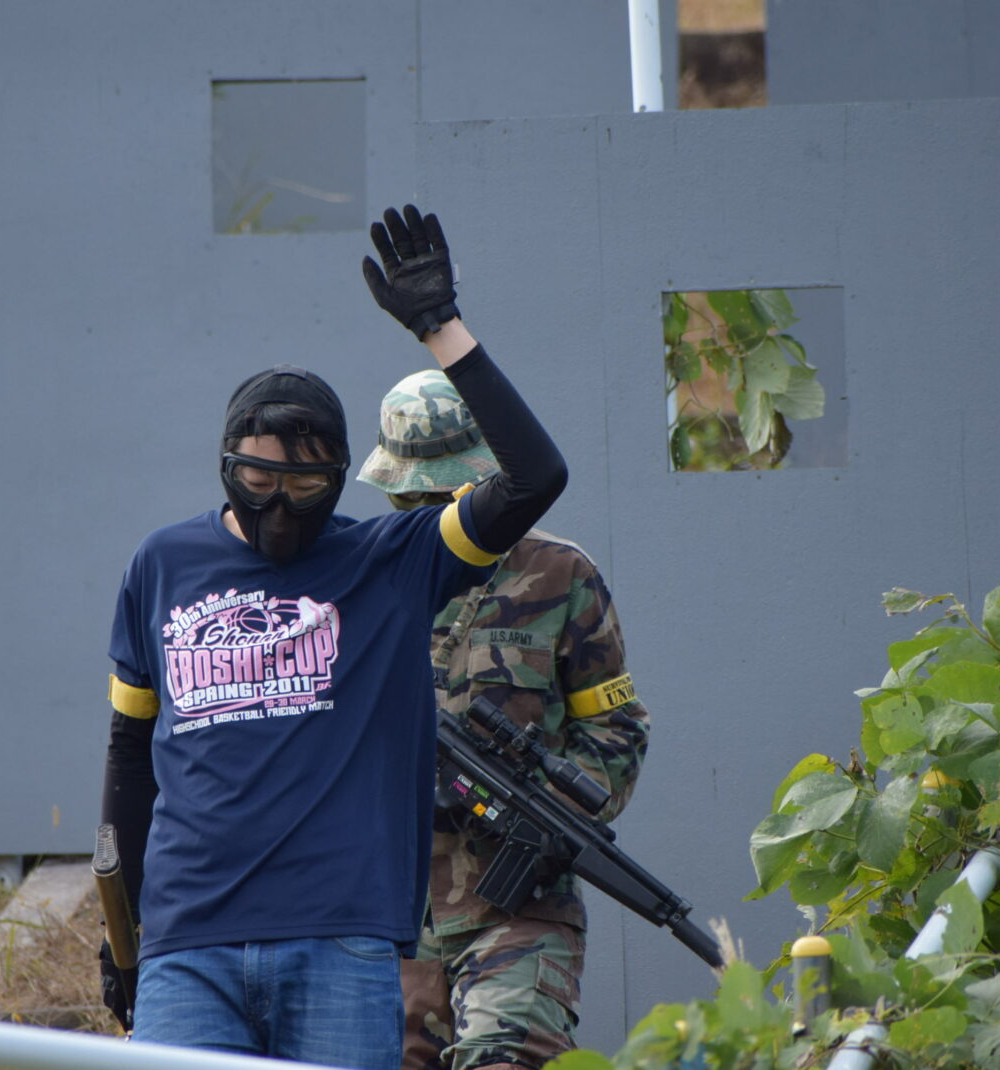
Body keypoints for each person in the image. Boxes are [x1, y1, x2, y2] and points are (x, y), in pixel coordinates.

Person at [97, 205, 568, 1070]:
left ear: (342, 477)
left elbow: (536, 477)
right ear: (225, 465)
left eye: (306, 484)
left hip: (340, 942)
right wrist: (123, 935)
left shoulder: (392, 562)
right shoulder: (159, 566)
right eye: (257, 478)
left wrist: (442, 327)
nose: (279, 506)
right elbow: (130, 759)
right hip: (186, 947)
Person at [356, 370, 651, 1070]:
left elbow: (617, 731)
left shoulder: (559, 574)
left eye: (444, 492)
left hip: (516, 907)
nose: (428, 509)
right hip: (386, 915)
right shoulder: (360, 576)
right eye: (411, 495)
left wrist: (534, 817)